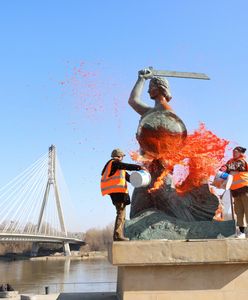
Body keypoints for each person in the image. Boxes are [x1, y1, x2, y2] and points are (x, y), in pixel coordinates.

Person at [101, 148, 143, 241]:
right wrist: (139, 167)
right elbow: (125, 166)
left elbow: (130, 178)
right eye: (122, 157)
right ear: (119, 156)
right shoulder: (114, 163)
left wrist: (140, 179)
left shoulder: (118, 168)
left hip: (116, 193)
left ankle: (118, 235)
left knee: (121, 213)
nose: (122, 158)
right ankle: (118, 235)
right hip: (117, 193)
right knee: (121, 213)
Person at [221, 146, 248, 238]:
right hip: (235, 191)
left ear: (241, 153)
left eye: (236, 152)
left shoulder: (243, 160)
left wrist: (226, 168)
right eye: (233, 151)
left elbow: (235, 167)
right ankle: (242, 232)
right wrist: (220, 180)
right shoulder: (230, 162)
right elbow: (224, 171)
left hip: (245, 190)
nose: (234, 153)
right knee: (239, 212)